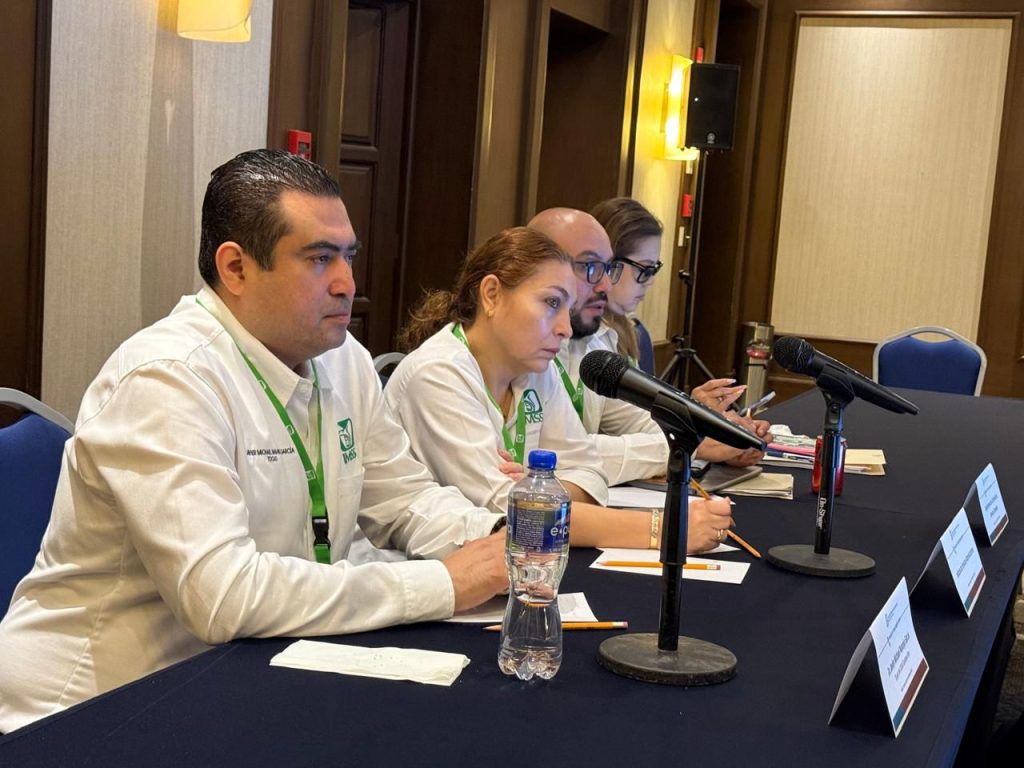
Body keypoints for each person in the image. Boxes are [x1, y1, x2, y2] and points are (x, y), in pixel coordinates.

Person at [0, 149, 508, 732]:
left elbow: (405, 500)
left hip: (250, 672)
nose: (347, 284)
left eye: (349, 257)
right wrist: (444, 583)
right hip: (91, 707)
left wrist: (499, 539)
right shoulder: (168, 379)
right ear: (236, 268)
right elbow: (223, 596)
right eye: (319, 259)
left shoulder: (343, 359)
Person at [385, 226, 733, 552]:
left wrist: (536, 489)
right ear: (491, 295)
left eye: (568, 309)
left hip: (520, 561)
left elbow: (591, 475)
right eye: (552, 303)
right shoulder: (438, 373)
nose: (565, 328)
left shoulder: (536, 369)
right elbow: (514, 517)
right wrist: (664, 530)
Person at [527, 207, 770, 487]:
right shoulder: (522, 352)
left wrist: (706, 427)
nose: (606, 284)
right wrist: (692, 444)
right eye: (591, 267)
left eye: (609, 268)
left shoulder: (591, 342)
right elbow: (560, 453)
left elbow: (636, 421)